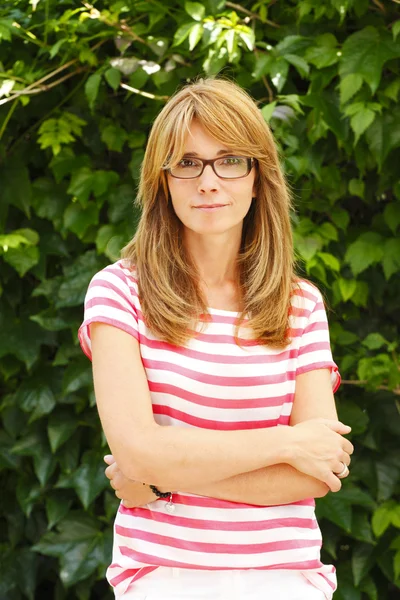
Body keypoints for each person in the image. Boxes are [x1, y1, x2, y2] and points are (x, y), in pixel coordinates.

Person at [78, 76, 353, 600]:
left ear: (257, 178)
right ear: (162, 181)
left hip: (287, 578)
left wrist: (161, 479)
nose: (208, 181)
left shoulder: (300, 304)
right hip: (162, 576)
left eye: (230, 160)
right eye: (187, 162)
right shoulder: (118, 291)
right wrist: (286, 443)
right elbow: (135, 450)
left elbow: (317, 474)